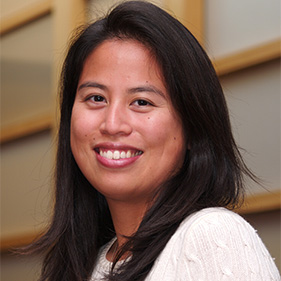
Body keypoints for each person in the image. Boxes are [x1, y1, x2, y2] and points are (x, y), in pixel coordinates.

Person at [28, 1, 280, 280]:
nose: (112, 124)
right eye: (96, 98)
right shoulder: (84, 263)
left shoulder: (211, 236)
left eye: (142, 102)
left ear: (193, 125)